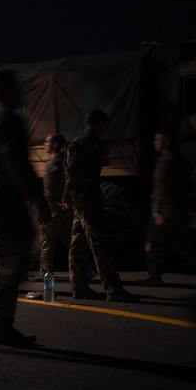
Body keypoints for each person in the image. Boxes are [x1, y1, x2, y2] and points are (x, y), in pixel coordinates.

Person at [0, 70, 51, 347]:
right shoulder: (10, 120)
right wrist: (37, 197)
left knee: (0, 262)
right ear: (8, 91)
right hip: (7, 198)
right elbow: (16, 162)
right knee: (16, 260)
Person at [63, 110, 138, 302]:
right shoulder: (91, 143)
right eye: (104, 124)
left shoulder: (77, 143)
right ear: (98, 124)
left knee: (78, 242)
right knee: (100, 242)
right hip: (88, 198)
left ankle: (79, 287)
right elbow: (74, 172)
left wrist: (68, 195)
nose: (105, 128)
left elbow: (70, 172)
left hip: (80, 198)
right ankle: (113, 288)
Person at [139, 129, 196, 286]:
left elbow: (161, 189)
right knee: (181, 242)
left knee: (153, 240)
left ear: (166, 141)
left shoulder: (165, 162)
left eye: (158, 139)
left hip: (166, 210)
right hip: (180, 207)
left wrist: (158, 212)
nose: (155, 142)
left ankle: (154, 276)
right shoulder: (183, 160)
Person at [38, 133, 72, 278]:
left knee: (46, 240)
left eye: (48, 141)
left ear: (56, 145)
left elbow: (50, 188)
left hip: (53, 206)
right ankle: (85, 269)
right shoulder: (64, 160)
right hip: (61, 205)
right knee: (68, 238)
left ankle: (45, 272)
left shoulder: (56, 162)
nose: (45, 144)